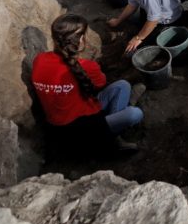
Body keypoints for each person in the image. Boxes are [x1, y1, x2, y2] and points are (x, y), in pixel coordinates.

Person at [31, 14, 142, 151]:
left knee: (123, 85)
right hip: (82, 130)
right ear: (81, 39)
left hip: (56, 126)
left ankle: (115, 121)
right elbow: (101, 84)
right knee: (135, 114)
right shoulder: (86, 65)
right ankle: (112, 141)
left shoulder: (39, 60)